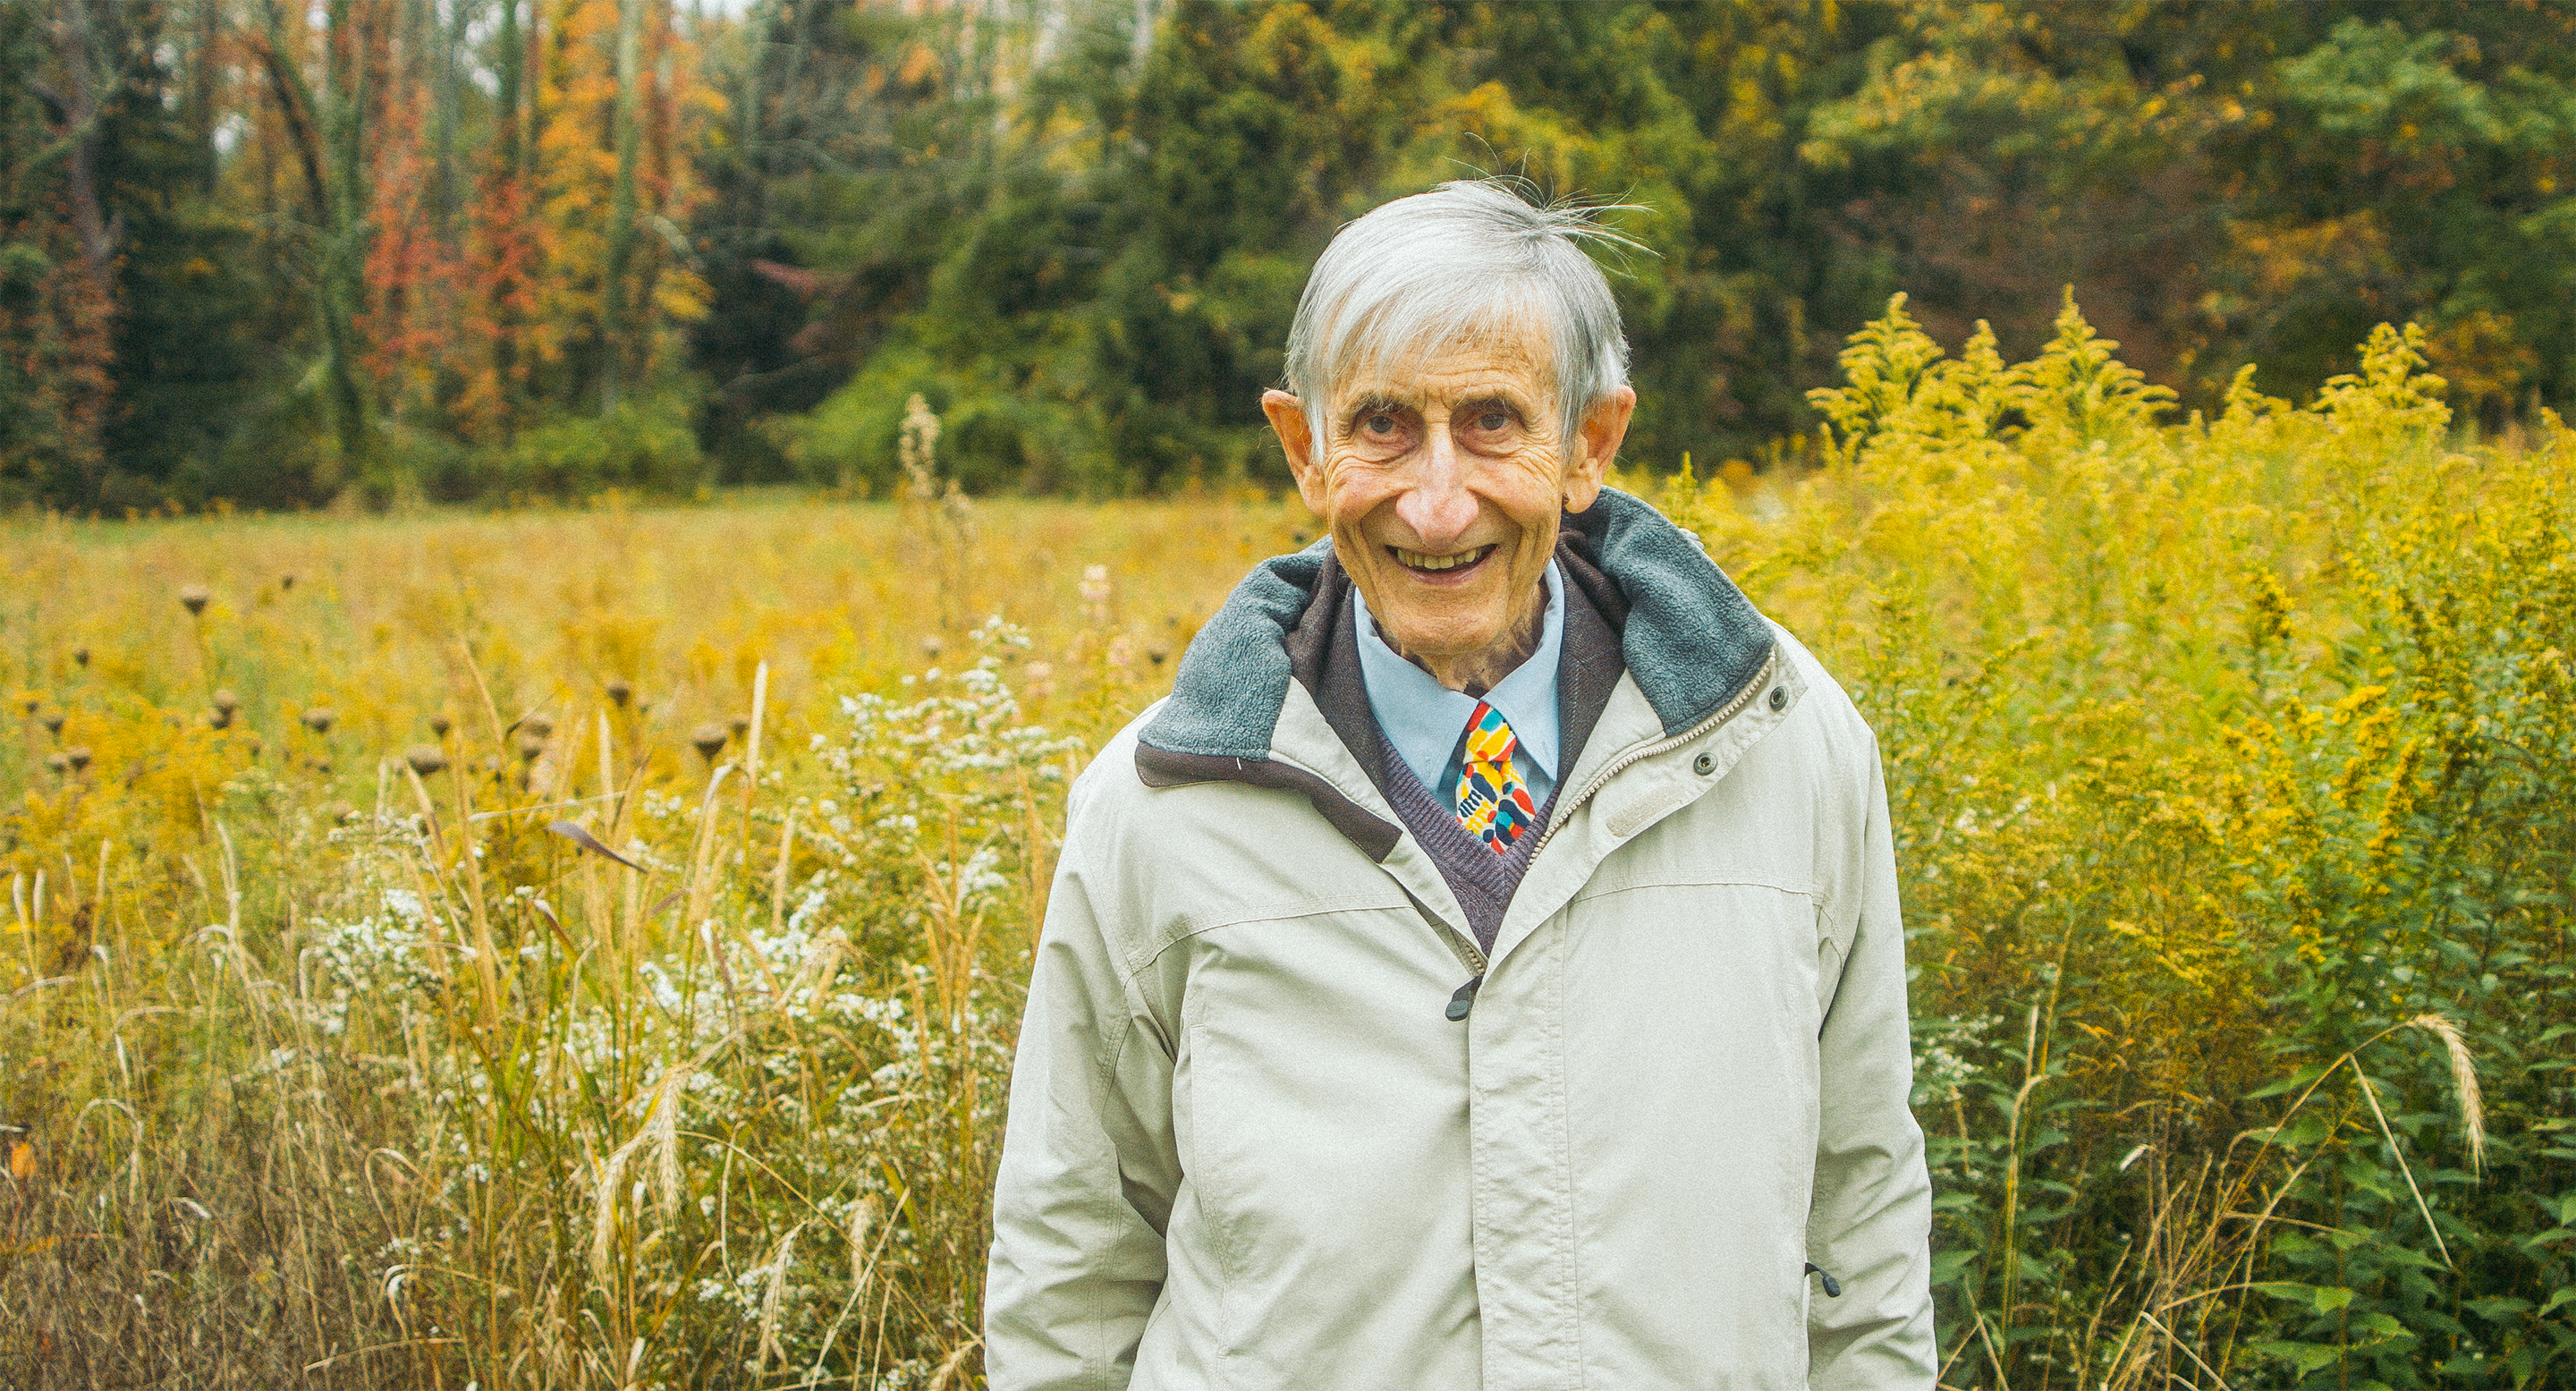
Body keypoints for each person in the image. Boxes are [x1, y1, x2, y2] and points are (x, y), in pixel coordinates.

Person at [984, 179, 1935, 1389]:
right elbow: (1071, 1258)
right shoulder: (1159, 808)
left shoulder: (1787, 748)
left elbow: (1862, 1206)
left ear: (1590, 443)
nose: (1436, 503)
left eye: (1493, 419)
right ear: (1305, 451)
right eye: (1380, 424)